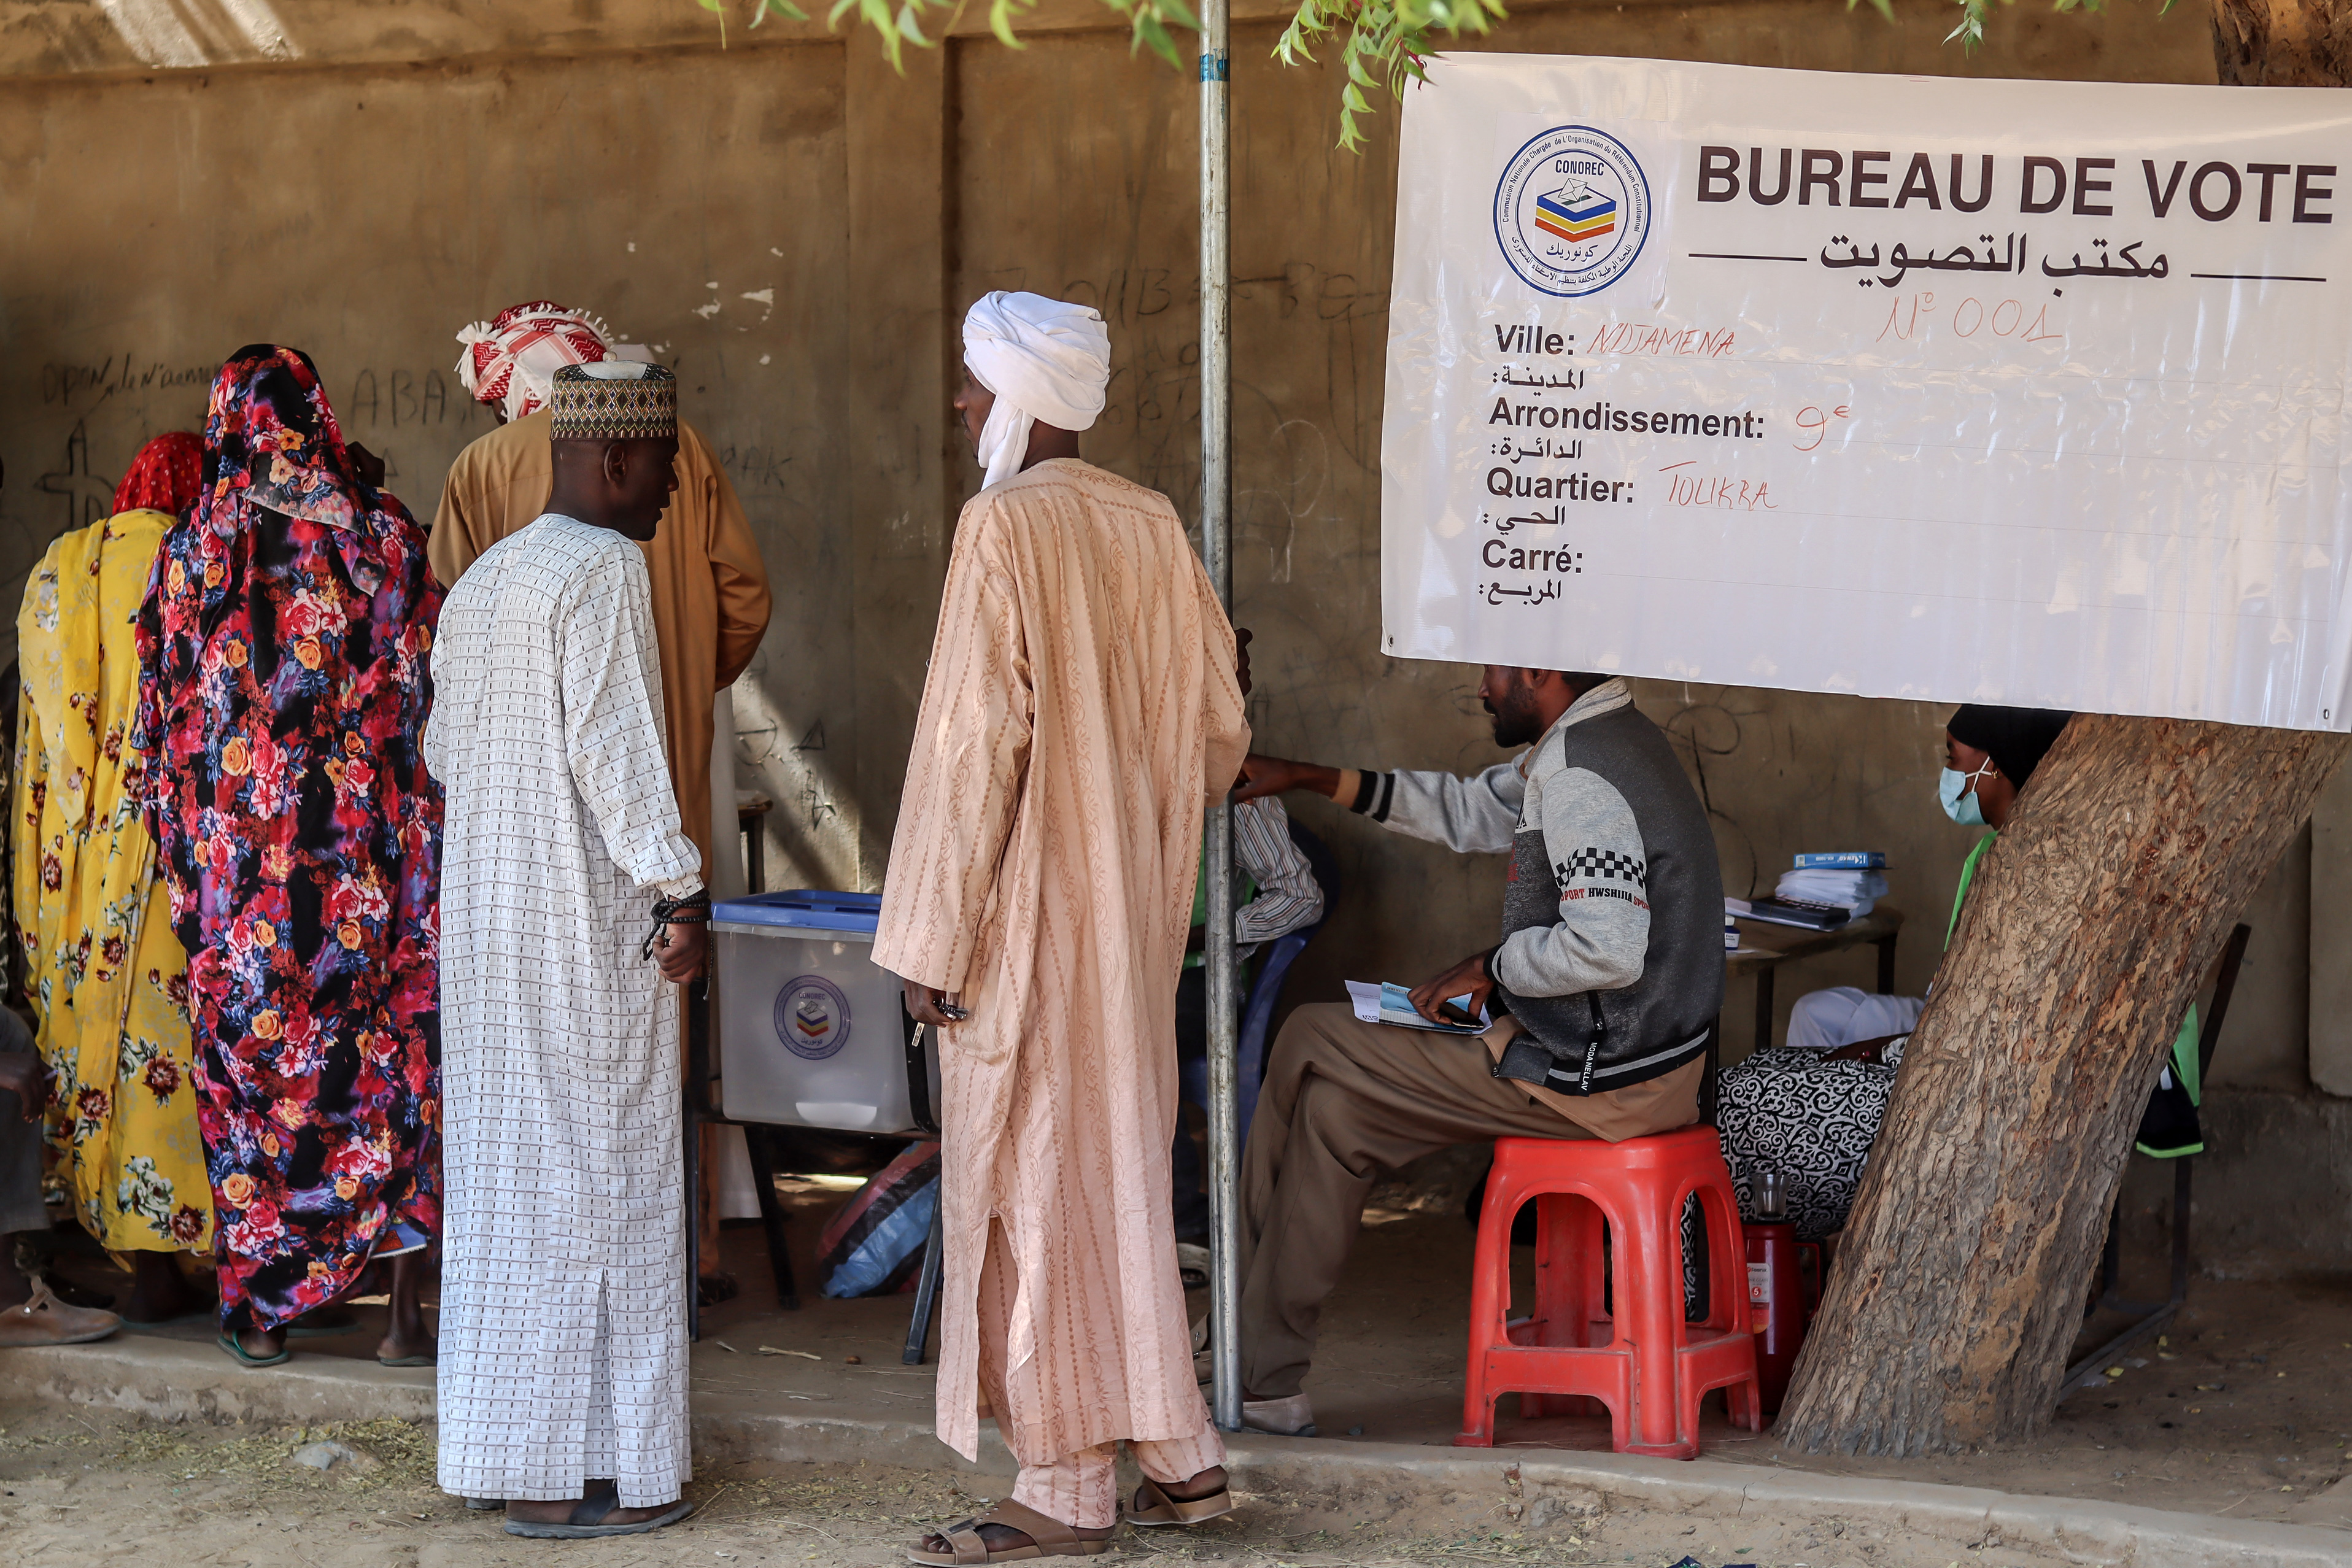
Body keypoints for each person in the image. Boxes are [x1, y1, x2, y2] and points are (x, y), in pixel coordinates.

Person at [877, 290, 1249, 1560]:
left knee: (1035, 1189)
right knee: (1117, 1174)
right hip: (1134, 925)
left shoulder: (998, 528)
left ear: (1022, 399)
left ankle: (1065, 1486)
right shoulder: (1151, 525)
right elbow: (1218, 737)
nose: (962, 406)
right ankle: (1181, 1450)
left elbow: (968, 746)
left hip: (1024, 924)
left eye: (975, 385)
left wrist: (929, 938)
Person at [1231, 668, 1725, 1437]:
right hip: (1630, 1062)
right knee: (1334, 1113)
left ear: (1538, 671)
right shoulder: (1604, 735)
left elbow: (1608, 950)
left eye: (1493, 669)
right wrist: (1304, 776)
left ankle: (1229, 1330)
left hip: (1602, 1081)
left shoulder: (1580, 773)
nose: (1481, 687)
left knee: (1307, 1035)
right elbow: (1470, 808)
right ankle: (1264, 1381)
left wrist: (1490, 968)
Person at [436, 300, 771, 1294]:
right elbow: (744, 594)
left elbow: (452, 650)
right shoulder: (679, 447)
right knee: (663, 1027)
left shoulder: (481, 473)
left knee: (543, 1065)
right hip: (662, 784)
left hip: (527, 821)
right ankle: (690, 1253)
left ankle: (546, 1279)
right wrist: (680, 698)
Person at [427, 360, 708, 1540]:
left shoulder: (485, 581)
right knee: (607, 1186)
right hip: (585, 934)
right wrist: (678, 887)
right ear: (614, 461)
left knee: (510, 1195)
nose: (667, 499)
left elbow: (444, 749)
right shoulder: (604, 570)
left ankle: (522, 1459)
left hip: (489, 937)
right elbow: (618, 755)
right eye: (663, 475)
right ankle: (586, 1478)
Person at [135, 347, 443, 1369]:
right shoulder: (382, 533)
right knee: (386, 1072)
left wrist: (184, 855)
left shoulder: (191, 546)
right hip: (363, 866)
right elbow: (424, 701)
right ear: (316, 412)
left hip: (236, 884)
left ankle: (264, 1310)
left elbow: (158, 726)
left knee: (253, 1078)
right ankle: (404, 1320)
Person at [14, 432, 214, 1324]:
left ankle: (141, 1267)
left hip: (76, 856)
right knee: (173, 1045)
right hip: (168, 852)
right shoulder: (195, 561)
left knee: (96, 1040)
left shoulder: (58, 571)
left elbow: (38, 740)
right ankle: (201, 1258)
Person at [1169, 629, 1323, 1267]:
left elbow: (1301, 895)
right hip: (1127, 973)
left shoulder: (1233, 782)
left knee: (1138, 1046)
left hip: (1195, 981)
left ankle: (1177, 1220)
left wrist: (1211, 933)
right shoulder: (1112, 778)